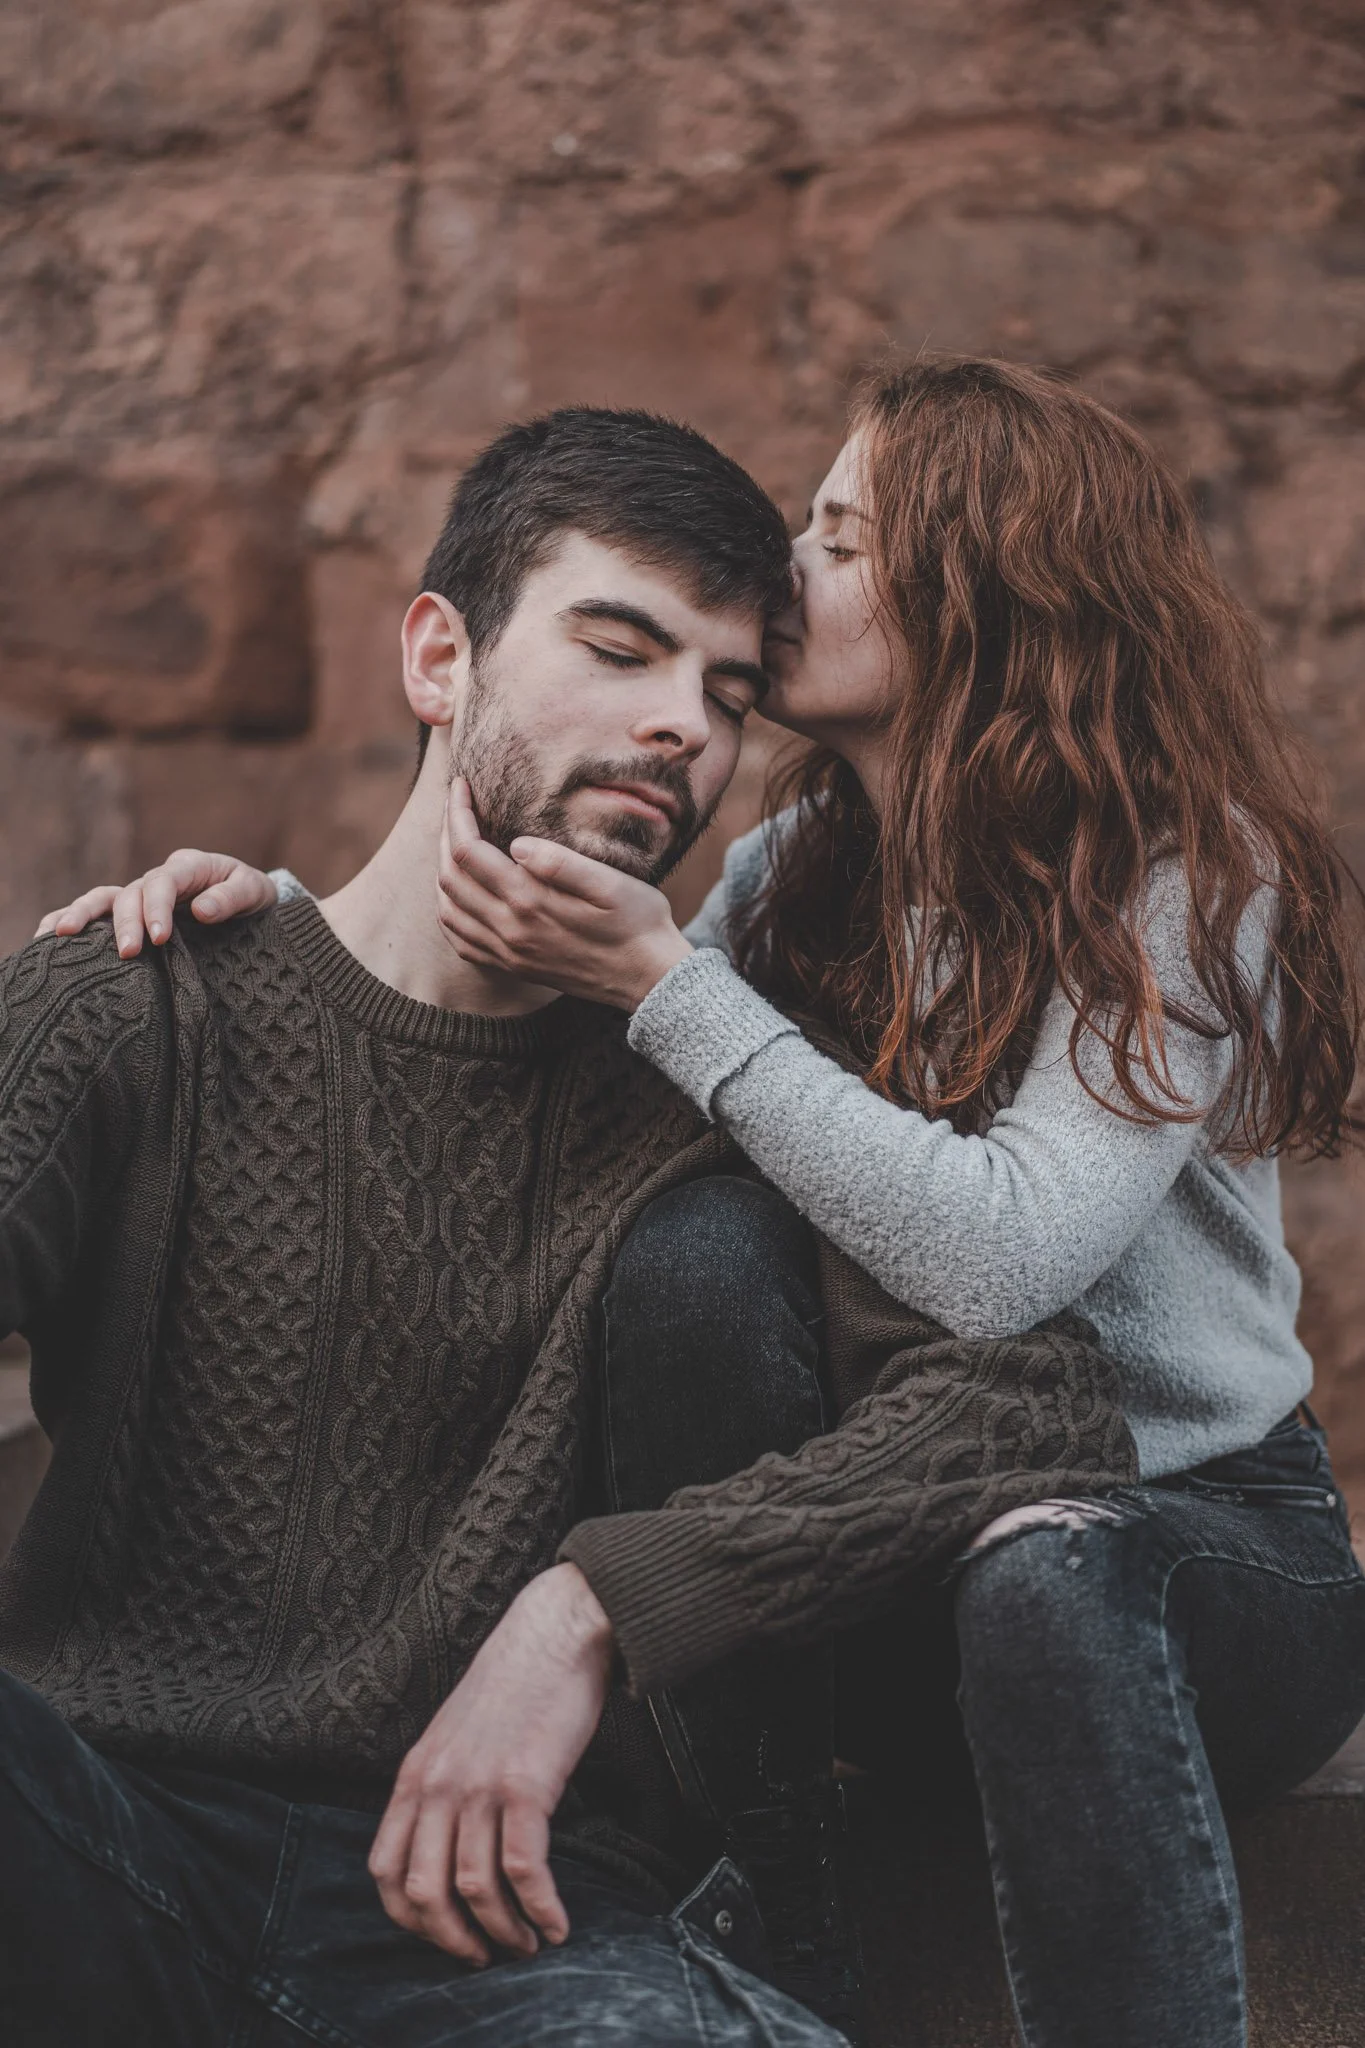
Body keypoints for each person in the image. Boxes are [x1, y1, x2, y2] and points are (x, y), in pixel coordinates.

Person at [86, 358, 1365, 2048]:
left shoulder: (1180, 878)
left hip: (1196, 1556)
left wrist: (661, 984)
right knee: (695, 1251)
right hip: (908, 1554)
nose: (788, 568)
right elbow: (579, 1063)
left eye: (839, 536)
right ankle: (781, 1929)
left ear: (975, 585)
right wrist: (279, 935)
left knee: (1051, 1570)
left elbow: (1005, 1260)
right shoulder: (792, 874)